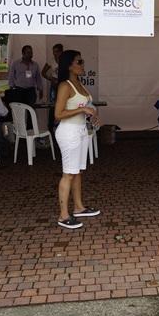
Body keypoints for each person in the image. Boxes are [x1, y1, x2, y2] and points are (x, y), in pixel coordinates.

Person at [54, 50, 101, 229]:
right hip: (69, 132)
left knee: (77, 171)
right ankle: (63, 215)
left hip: (81, 130)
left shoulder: (79, 83)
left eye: (82, 61)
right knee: (68, 173)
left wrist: (92, 114)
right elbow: (58, 114)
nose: (82, 65)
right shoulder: (65, 86)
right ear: (69, 66)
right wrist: (82, 110)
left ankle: (79, 207)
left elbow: (86, 106)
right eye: (79, 62)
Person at [42, 43, 64, 130]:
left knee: (63, 105)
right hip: (54, 86)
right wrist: (51, 79)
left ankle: (61, 126)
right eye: (54, 51)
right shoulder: (51, 61)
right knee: (52, 106)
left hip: (64, 86)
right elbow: (43, 72)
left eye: (57, 51)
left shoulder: (65, 61)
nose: (55, 53)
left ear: (61, 52)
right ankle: (51, 127)